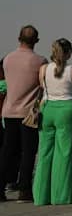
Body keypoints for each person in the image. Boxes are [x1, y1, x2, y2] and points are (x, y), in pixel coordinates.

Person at [34, 39, 72, 206]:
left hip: (48, 108)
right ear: (67, 53)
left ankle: (41, 196)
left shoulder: (43, 69)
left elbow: (42, 87)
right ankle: (61, 196)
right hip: (66, 109)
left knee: (44, 153)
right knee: (65, 153)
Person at [0, 26, 47, 203]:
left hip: (9, 111)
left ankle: (0, 189)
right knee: (28, 152)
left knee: (7, 151)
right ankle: (24, 190)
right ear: (36, 40)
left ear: (19, 38)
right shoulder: (40, 61)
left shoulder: (7, 60)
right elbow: (43, 85)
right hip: (28, 114)